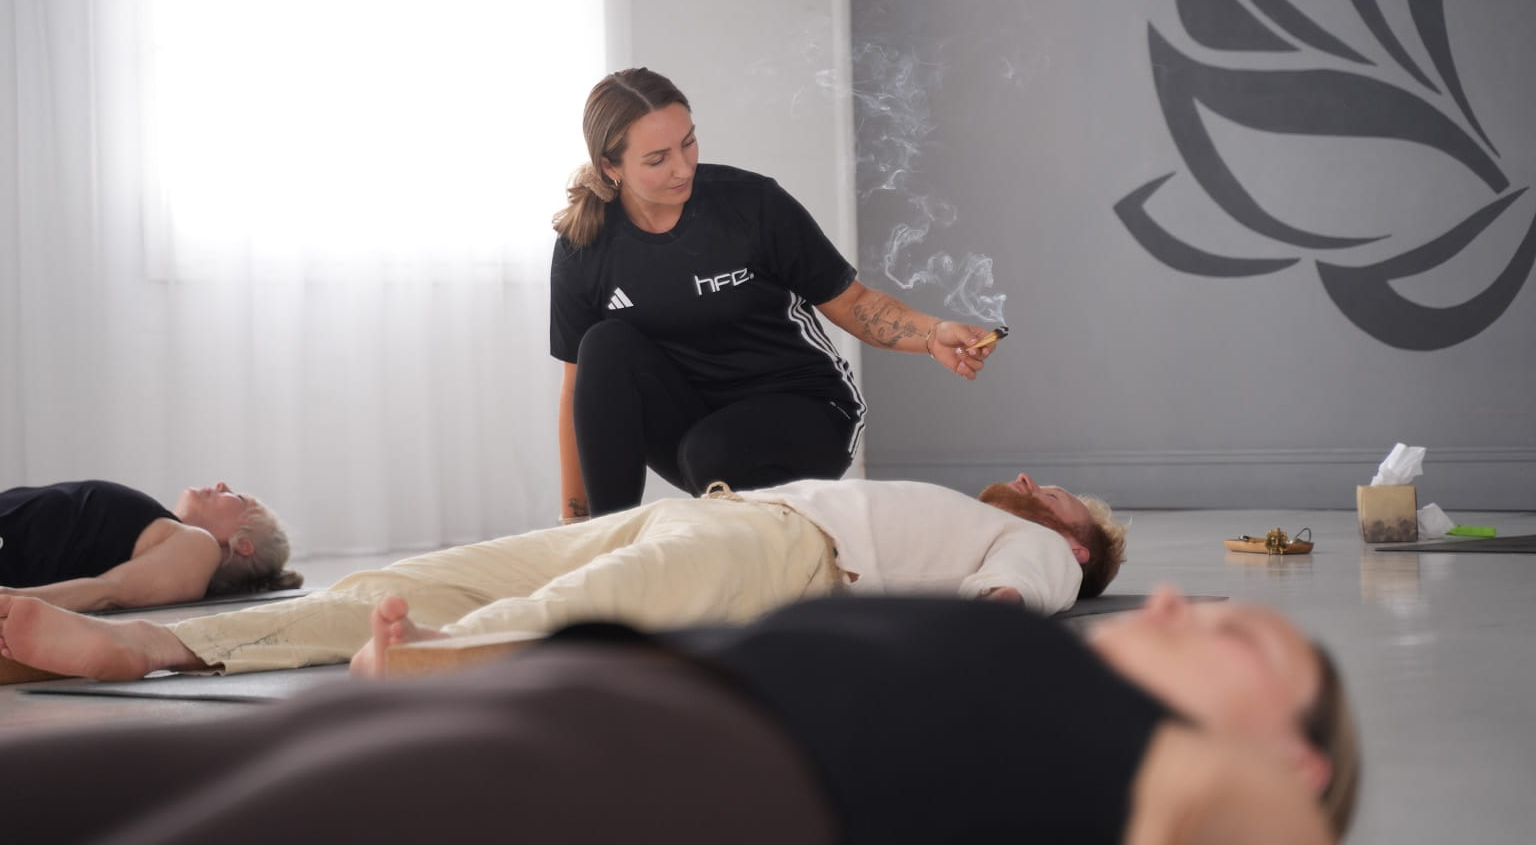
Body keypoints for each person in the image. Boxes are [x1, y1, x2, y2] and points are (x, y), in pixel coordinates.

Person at [0, 592, 1359, 845]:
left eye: (1240, 634)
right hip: (561, 699)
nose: (1177, 600)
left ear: (1293, 755)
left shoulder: (1176, 779)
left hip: (652, 775)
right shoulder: (1032, 667)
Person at [0, 473, 1123, 681]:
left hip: (787, 552)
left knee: (576, 609)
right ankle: (149, 643)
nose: (1037, 487)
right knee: (419, 575)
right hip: (703, 512)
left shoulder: (1034, 551)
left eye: (1064, 496)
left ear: (1080, 543)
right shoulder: (978, 508)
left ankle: (434, 663)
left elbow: (1006, 606)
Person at [552, 67, 1004, 521]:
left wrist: (932, 334)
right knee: (604, 346)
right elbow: (580, 392)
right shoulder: (583, 246)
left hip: (806, 410)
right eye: (658, 159)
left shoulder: (751, 204)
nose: (684, 167)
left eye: (689, 142)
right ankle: (604, 537)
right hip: (695, 427)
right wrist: (572, 521)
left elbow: (853, 302)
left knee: (710, 453)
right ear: (610, 166)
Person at [0, 480, 300, 612]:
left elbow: (105, 592)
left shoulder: (199, 549)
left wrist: (10, 600)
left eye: (238, 498)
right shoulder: (166, 530)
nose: (222, 485)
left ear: (244, 545)